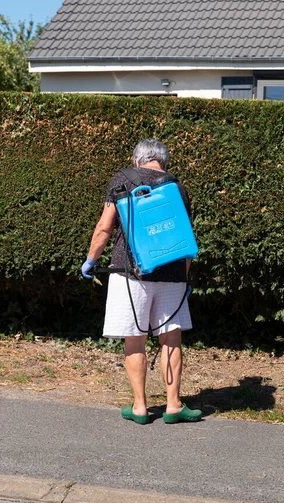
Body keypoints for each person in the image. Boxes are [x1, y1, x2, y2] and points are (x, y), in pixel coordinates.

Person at [82, 139, 202, 425]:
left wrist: (91, 260)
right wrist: (184, 279)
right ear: (164, 161)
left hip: (130, 272)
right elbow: (184, 239)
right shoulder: (178, 189)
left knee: (134, 338)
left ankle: (139, 407)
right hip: (172, 273)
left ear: (137, 160)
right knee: (171, 338)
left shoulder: (122, 180)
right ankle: (173, 405)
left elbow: (104, 227)